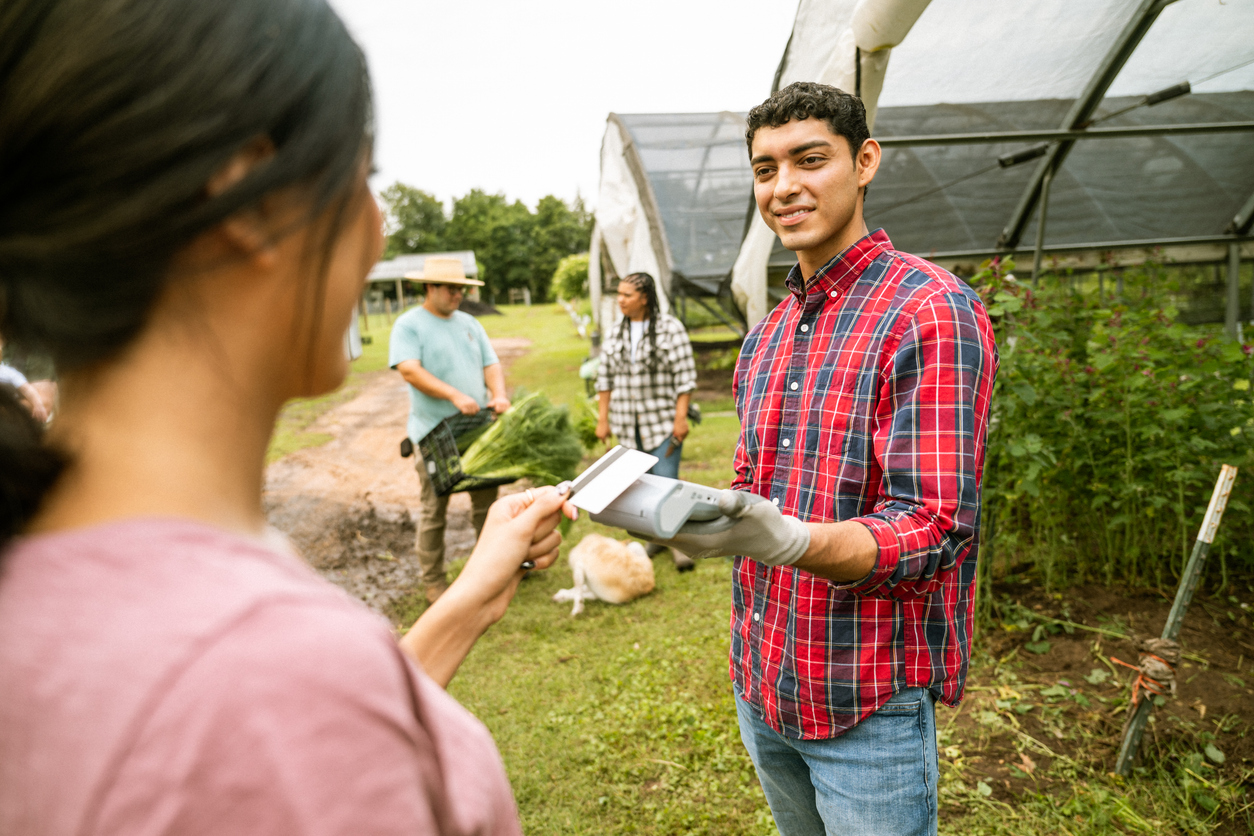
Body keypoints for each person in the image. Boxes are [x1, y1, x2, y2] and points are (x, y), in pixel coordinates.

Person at [0, 2, 574, 834]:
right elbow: (289, 722)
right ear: (251, 196)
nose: (377, 229)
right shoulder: (269, 682)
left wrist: (466, 604)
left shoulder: (78, 589)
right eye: (364, 178)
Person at [650, 82, 998, 835]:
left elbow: (935, 526)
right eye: (765, 169)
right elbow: (755, 486)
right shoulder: (767, 337)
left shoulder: (929, 309)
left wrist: (794, 540)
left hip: (862, 698)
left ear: (865, 161)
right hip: (762, 677)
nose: (784, 187)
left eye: (810, 160)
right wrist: (698, 516)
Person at [390, 257, 511, 603]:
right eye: (452, 289)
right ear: (430, 288)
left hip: (476, 429)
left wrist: (499, 394)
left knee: (487, 506)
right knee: (434, 511)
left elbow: (491, 363)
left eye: (462, 289)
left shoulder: (469, 322)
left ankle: (490, 572)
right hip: (434, 435)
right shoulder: (409, 325)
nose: (459, 295)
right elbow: (409, 370)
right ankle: (433, 582)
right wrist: (454, 395)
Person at [594, 271, 698, 570]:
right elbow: (604, 378)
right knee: (642, 485)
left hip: (662, 422)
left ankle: (677, 544)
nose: (620, 300)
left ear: (644, 298)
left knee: (666, 483)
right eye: (619, 294)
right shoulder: (615, 332)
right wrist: (603, 419)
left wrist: (681, 419)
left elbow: (685, 378)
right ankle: (657, 537)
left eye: (626, 295)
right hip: (628, 424)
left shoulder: (670, 329)